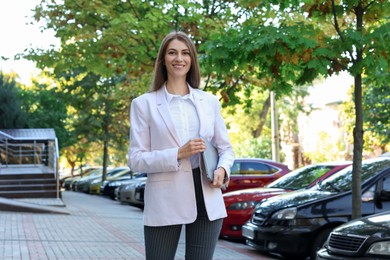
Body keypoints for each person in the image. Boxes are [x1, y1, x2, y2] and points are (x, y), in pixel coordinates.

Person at [128, 31, 235, 260]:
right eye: (173, 52)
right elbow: (136, 159)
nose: (179, 58)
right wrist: (177, 153)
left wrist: (223, 169)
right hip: (165, 198)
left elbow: (225, 148)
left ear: (192, 60)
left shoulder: (209, 102)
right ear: (163, 59)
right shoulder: (143, 104)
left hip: (207, 194)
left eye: (185, 53)